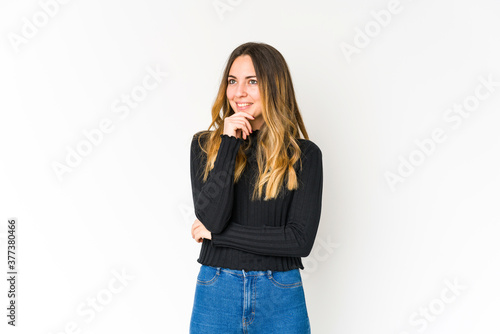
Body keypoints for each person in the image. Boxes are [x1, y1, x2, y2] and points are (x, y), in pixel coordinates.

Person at [189, 41, 323, 333]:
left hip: (280, 292)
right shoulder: (205, 146)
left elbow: (299, 241)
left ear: (275, 86)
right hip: (216, 288)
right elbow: (212, 218)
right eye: (232, 81)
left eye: (253, 82)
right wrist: (228, 144)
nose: (239, 92)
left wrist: (217, 236)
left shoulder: (304, 155)